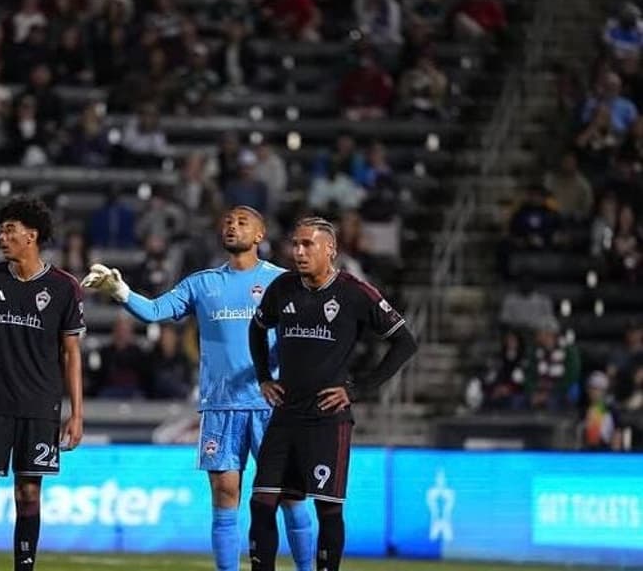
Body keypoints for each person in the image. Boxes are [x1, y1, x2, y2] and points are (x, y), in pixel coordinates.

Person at [81, 206, 314, 571]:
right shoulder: (202, 283)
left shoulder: (282, 282)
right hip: (220, 406)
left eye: (242, 222)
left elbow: (306, 335)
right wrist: (120, 290)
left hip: (271, 406)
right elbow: (155, 311)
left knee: (289, 495)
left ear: (260, 234)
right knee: (225, 495)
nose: (232, 226)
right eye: (228, 221)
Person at [247, 216, 417, 571]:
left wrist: (359, 389)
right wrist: (263, 377)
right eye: (295, 244)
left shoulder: (355, 292)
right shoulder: (282, 287)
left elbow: (405, 342)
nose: (298, 252)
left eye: (307, 244)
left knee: (328, 508)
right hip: (285, 415)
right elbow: (257, 328)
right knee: (261, 503)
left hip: (327, 420)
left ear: (331, 250)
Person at [0, 196, 85, 571]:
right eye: (2, 230)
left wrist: (76, 413)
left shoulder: (64, 287)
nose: (1, 237)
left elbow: (71, 354)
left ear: (31, 236)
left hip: (39, 408)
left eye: (9, 230)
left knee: (28, 495)